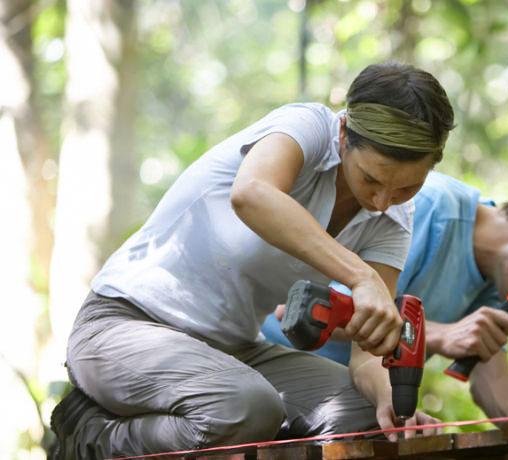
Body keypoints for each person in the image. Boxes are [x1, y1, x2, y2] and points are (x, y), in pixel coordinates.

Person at [48, 62, 455, 459]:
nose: (382, 201)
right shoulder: (308, 127)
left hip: (231, 351)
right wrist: (360, 276)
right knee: (246, 407)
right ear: (345, 132)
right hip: (124, 325)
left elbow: (368, 349)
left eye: (407, 187)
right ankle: (92, 435)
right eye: (371, 178)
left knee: (361, 416)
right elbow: (252, 194)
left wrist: (391, 405)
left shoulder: (394, 220)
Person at [263, 172, 508, 418]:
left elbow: (495, 384)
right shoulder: (426, 207)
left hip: (355, 391)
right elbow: (318, 313)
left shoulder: (496, 278)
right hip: (276, 360)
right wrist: (436, 335)